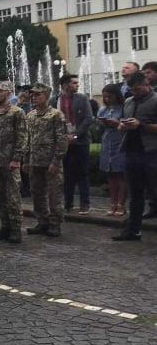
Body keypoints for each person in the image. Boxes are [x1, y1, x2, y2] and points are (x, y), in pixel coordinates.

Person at [0, 81, 27, 244]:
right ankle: (4, 226)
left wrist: (16, 158)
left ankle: (15, 229)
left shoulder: (17, 113)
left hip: (9, 162)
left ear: (8, 93)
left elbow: (22, 137)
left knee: (13, 197)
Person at [114, 71, 157, 241]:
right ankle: (133, 230)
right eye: (132, 90)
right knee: (136, 193)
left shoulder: (155, 100)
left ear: (147, 84)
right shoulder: (128, 102)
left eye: (138, 89)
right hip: (132, 151)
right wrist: (122, 126)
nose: (135, 92)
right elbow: (123, 123)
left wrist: (142, 125)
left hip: (152, 152)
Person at [25, 83, 68, 237]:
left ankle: (55, 223)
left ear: (47, 96)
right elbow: (27, 139)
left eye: (38, 95)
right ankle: (42, 221)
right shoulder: (30, 115)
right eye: (33, 95)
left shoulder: (56, 115)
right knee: (36, 193)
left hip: (50, 162)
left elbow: (62, 139)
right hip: (35, 161)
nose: (34, 97)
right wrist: (26, 160)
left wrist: (56, 161)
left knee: (54, 194)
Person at [53, 74, 94, 214]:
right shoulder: (56, 100)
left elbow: (89, 118)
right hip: (64, 141)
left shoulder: (82, 98)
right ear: (65, 85)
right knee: (67, 173)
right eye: (74, 83)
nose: (77, 85)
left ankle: (84, 203)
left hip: (81, 141)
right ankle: (68, 203)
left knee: (82, 173)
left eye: (77, 82)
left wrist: (76, 134)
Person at [96, 83, 127, 216]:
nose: (107, 99)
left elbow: (128, 125)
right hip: (107, 143)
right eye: (105, 97)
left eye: (110, 96)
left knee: (121, 174)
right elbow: (98, 129)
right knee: (110, 175)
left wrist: (118, 123)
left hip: (120, 142)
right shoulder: (103, 110)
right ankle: (113, 203)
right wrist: (102, 124)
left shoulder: (124, 108)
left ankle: (121, 204)